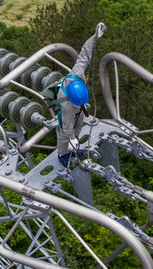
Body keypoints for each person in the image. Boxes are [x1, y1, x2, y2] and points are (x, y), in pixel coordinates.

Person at [56, 22, 106, 169]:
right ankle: (63, 155)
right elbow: (66, 127)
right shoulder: (67, 107)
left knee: (79, 123)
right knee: (66, 132)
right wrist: (71, 138)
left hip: (76, 104)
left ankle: (75, 146)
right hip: (67, 110)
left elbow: (85, 52)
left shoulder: (77, 74)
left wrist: (95, 37)